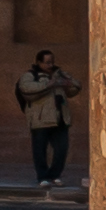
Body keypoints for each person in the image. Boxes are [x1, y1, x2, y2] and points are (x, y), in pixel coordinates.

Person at [15, 48, 79, 187]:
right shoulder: (30, 75)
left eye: (52, 62)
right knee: (40, 150)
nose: (50, 65)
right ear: (39, 62)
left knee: (61, 149)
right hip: (40, 119)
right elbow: (26, 88)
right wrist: (50, 84)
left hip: (60, 118)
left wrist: (67, 82)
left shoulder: (59, 74)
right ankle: (42, 177)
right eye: (47, 63)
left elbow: (75, 87)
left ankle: (55, 175)